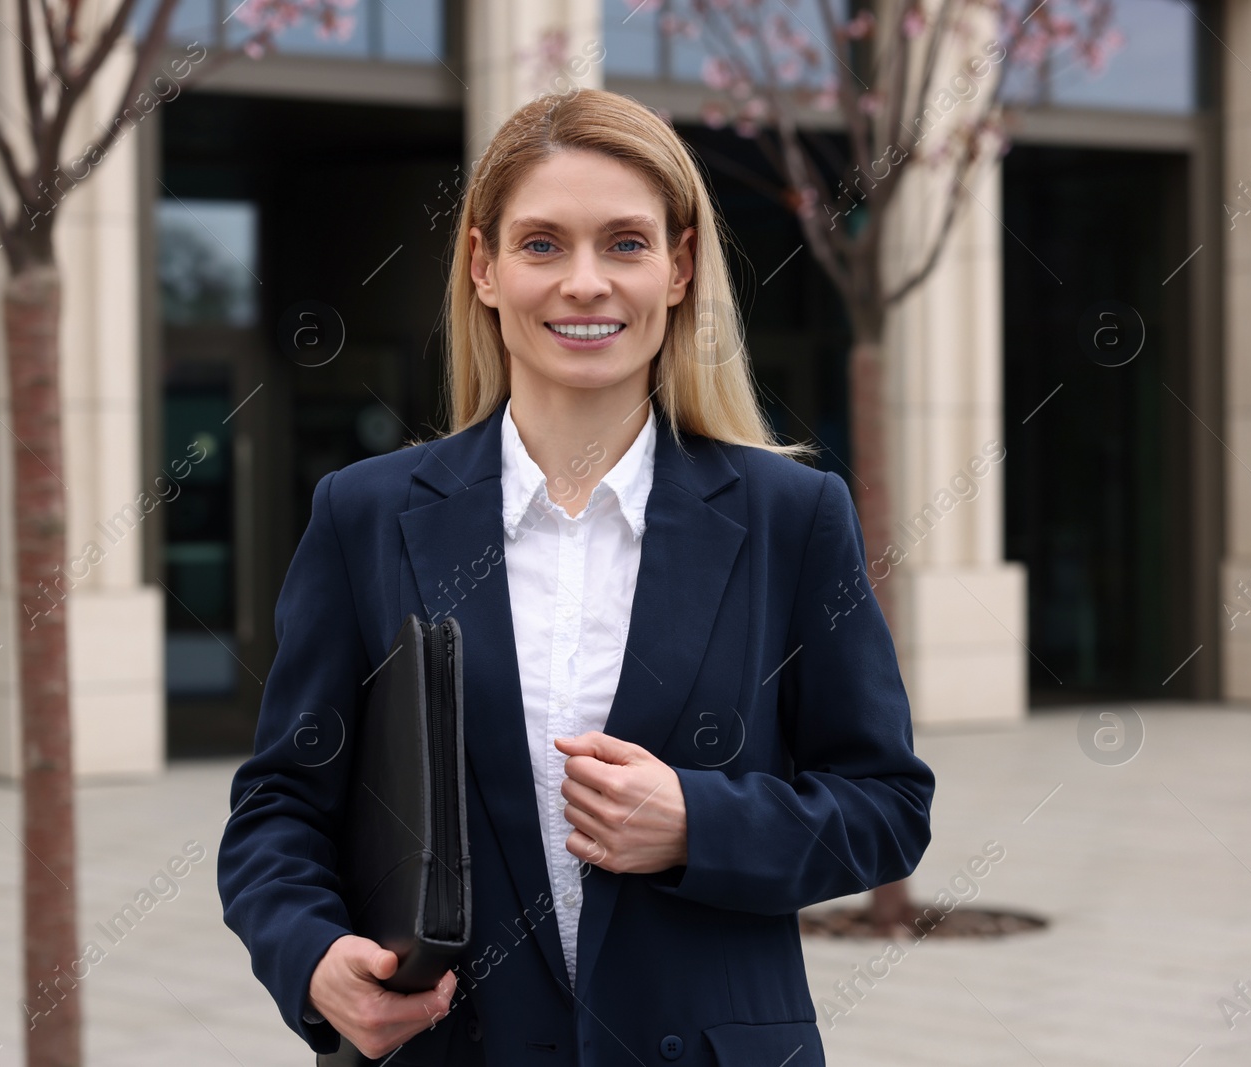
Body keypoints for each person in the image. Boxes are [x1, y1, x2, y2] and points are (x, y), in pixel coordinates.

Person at [217, 87, 934, 1067]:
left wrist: (697, 821)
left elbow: (885, 806)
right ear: (483, 266)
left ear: (679, 268)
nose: (585, 281)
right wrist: (311, 957)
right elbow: (280, 805)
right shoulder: (365, 515)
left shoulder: (791, 518)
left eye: (626, 244)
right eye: (543, 243)